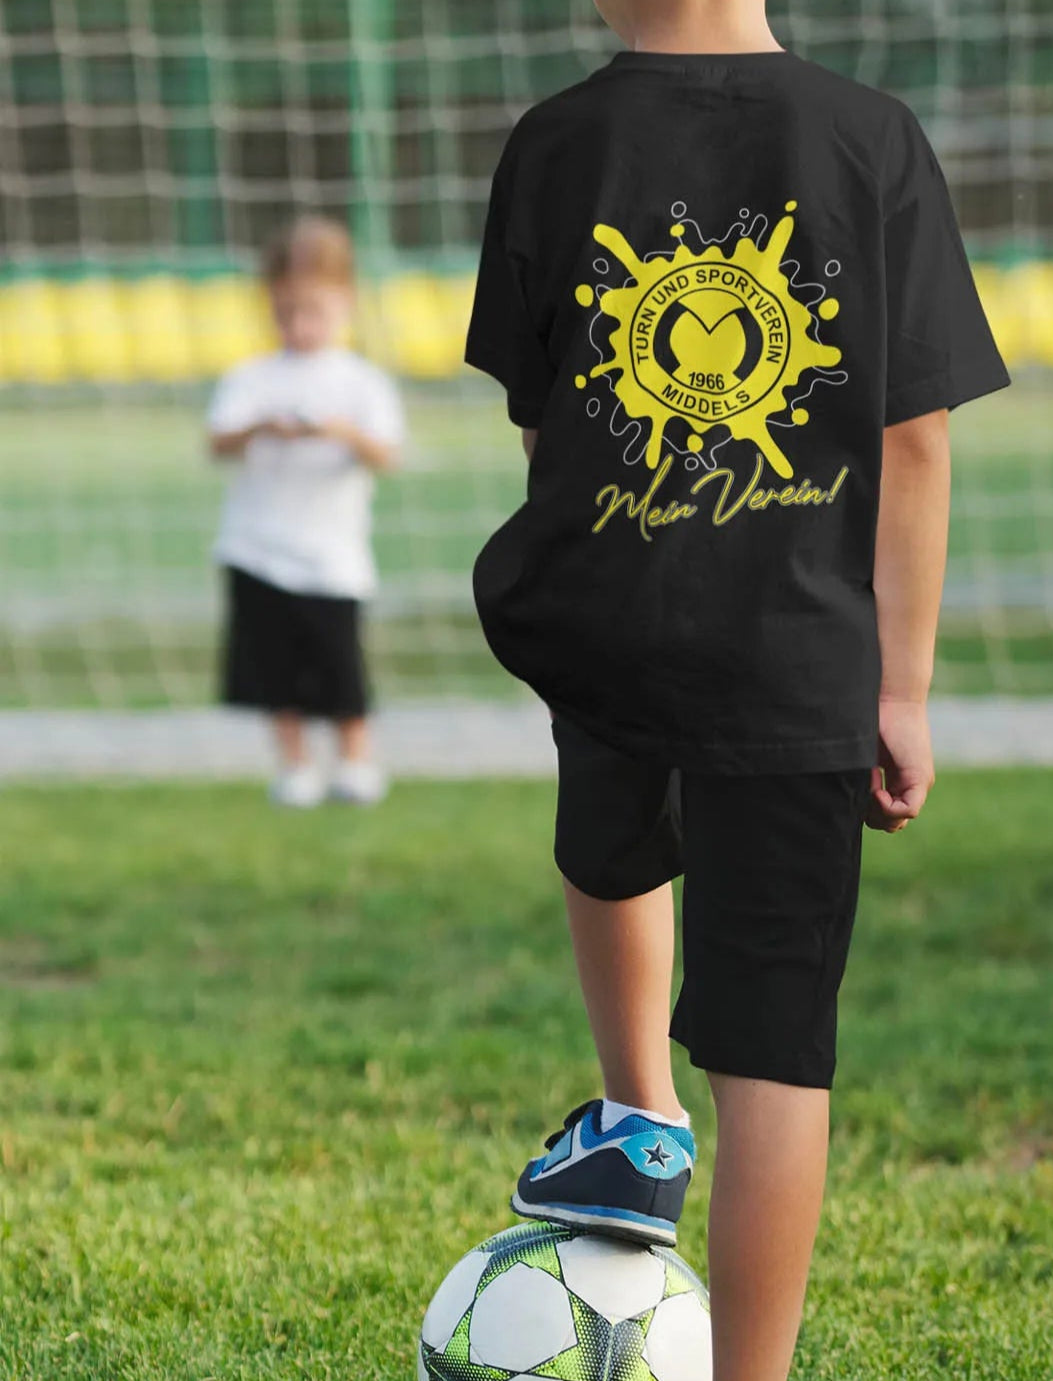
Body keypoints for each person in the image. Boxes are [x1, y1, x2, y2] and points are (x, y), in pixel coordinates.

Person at [465, 1, 1009, 1376]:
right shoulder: (872, 138)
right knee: (773, 1044)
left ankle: (638, 1110)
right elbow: (919, 440)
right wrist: (904, 686)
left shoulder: (553, 142)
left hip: (607, 622)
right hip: (803, 649)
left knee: (608, 836)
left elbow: (539, 419)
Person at [207, 215, 405, 808]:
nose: (299, 324)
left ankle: (355, 760)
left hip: (331, 553)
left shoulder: (362, 382)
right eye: (285, 311)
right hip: (257, 547)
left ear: (343, 303)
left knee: (340, 665)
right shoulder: (250, 378)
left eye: (312, 310)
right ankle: (294, 766)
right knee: (273, 670)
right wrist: (264, 428)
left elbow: (386, 454)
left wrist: (338, 433)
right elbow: (217, 443)